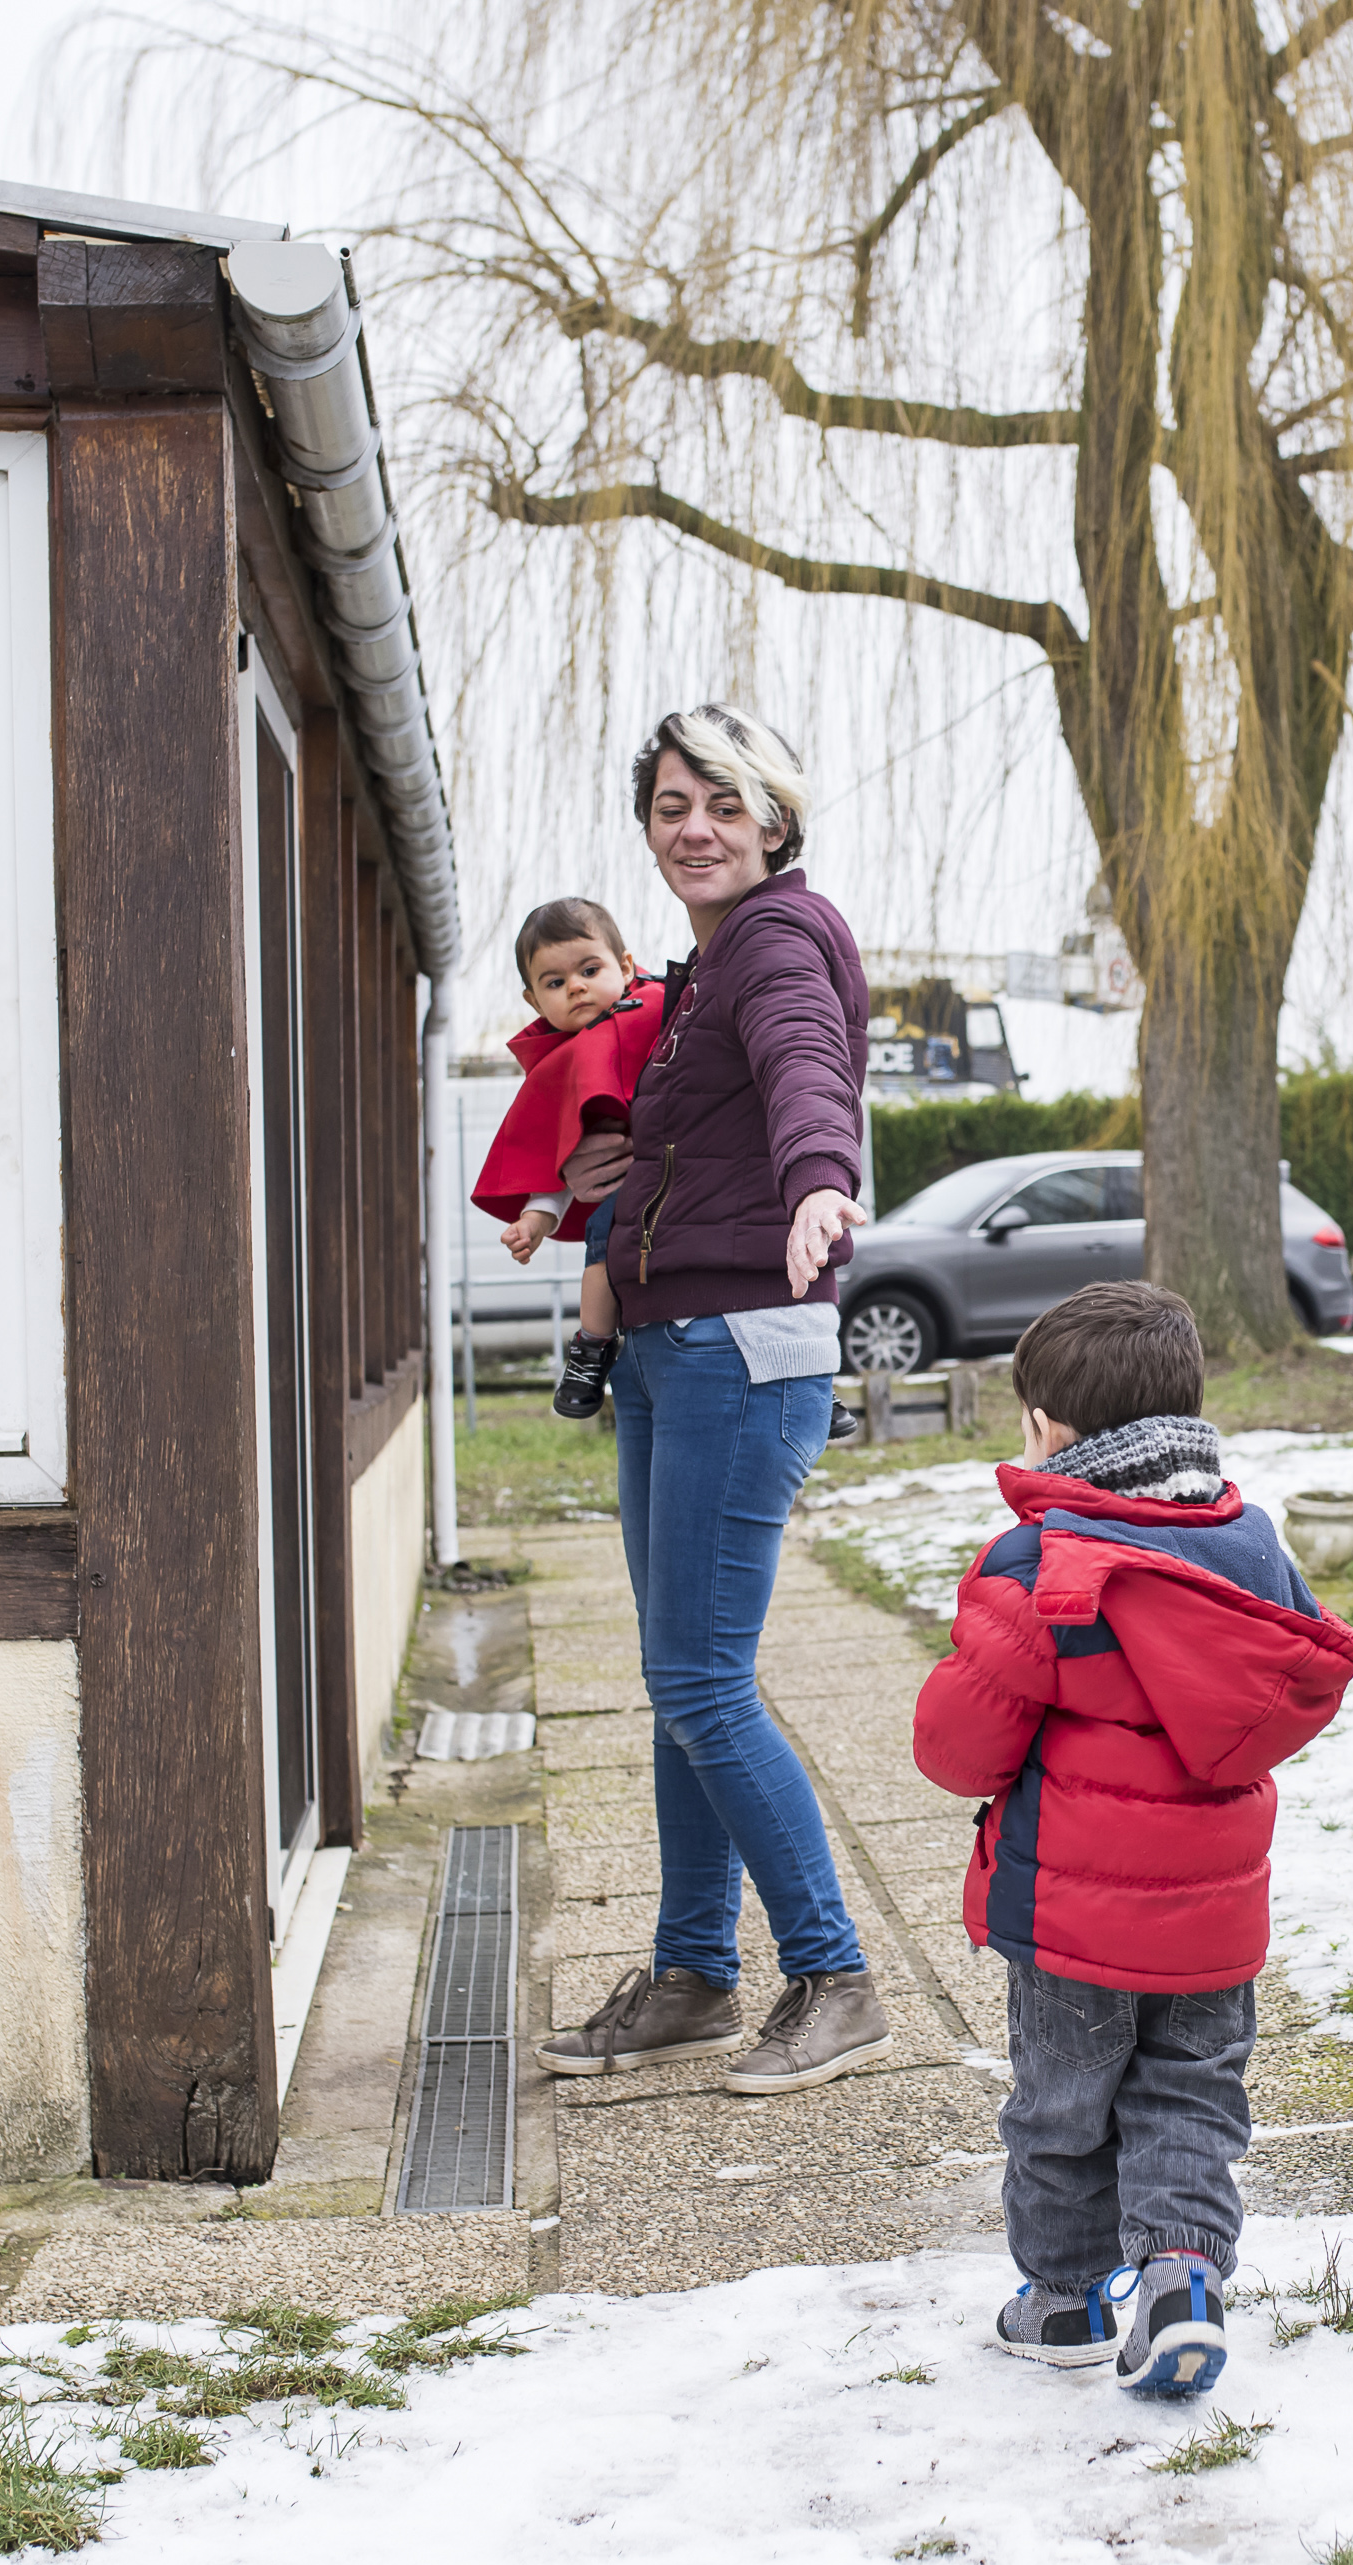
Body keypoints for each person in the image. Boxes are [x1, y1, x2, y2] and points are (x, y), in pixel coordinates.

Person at [910, 1281, 1353, 2399]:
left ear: (1056, 1431)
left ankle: (1064, 2298)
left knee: (1062, 2104)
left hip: (1071, 1917)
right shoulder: (1251, 1548)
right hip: (1214, 1911)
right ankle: (1178, 2282)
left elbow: (960, 1751)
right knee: (1189, 2096)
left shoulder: (1040, 1565)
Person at [534, 705, 893, 2096]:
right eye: (671, 804)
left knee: (699, 1678)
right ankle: (692, 1972)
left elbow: (810, 1071)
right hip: (673, 1349)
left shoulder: (779, 945)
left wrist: (817, 1177)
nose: (693, 825)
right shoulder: (699, 969)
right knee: (678, 1680)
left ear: (775, 823)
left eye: (723, 804)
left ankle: (836, 1972)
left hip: (742, 1347)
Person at [470, 898, 669, 1422]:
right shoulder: (565, 1064)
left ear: (625, 967)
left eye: (589, 970)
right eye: (554, 983)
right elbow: (561, 1152)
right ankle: (591, 1347)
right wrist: (537, 1218)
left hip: (696, 1188)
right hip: (627, 1195)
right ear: (533, 1000)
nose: (576, 987)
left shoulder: (668, 1014)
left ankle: (811, 1371)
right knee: (603, 1236)